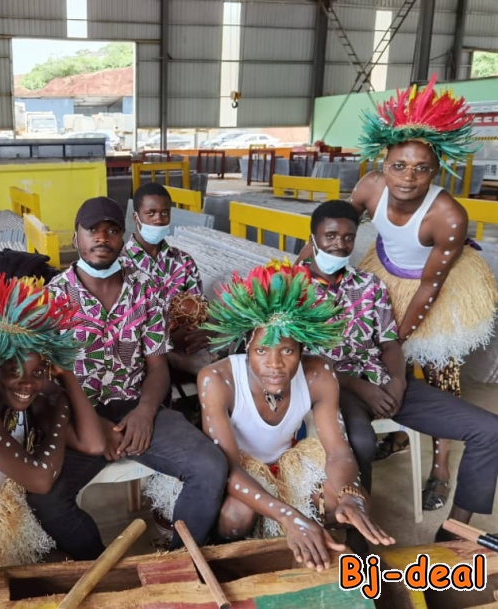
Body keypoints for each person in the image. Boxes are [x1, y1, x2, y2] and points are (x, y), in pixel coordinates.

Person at [297, 75, 498, 510]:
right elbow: (332, 225)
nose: (408, 178)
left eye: (422, 168)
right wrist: (298, 270)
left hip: (433, 282)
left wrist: (396, 375)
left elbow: (427, 287)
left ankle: (448, 493)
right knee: (361, 435)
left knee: (443, 370)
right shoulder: (367, 191)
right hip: (384, 278)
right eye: (399, 166)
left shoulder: (446, 216)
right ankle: (358, 530)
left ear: (437, 169)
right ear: (382, 164)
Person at [26, 196, 229, 559]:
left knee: (209, 466)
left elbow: (157, 367)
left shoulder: (145, 289)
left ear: (124, 238)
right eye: (92, 230)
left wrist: (145, 413)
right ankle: (102, 569)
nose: (102, 238)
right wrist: (89, 424)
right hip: (78, 415)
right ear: (76, 238)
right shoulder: (50, 299)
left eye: (112, 230)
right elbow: (42, 384)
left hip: (136, 405)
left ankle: (180, 561)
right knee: (46, 498)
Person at [305, 200, 498, 547]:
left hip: (382, 382)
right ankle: (357, 539)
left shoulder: (369, 285)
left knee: (489, 430)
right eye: (330, 235)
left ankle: (454, 532)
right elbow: (299, 361)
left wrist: (396, 381)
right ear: (313, 236)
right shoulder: (290, 287)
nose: (339, 244)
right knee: (360, 441)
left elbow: (391, 343)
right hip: (332, 389)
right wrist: (360, 388)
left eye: (348, 237)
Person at [194, 262, 394, 569]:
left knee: (340, 502)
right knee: (236, 517)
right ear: (248, 346)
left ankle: (330, 562)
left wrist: (350, 495)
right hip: (238, 470)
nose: (274, 363)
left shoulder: (319, 373)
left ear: (301, 349)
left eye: (286, 351)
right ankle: (233, 569)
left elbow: (338, 450)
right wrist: (290, 516)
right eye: (262, 351)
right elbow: (228, 468)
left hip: (287, 464)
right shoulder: (216, 380)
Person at [0, 275, 105, 607]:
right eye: (14, 371)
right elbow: (40, 479)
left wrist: (67, 378)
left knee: (77, 576)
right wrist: (59, 410)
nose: (26, 383)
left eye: (38, 372)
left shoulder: (26, 397)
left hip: (9, 528)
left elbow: (93, 444)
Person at [121, 182, 211, 374]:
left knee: (219, 366)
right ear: (136, 217)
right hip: (137, 351)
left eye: (164, 213)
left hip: (182, 346)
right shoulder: (120, 264)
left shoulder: (183, 262)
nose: (159, 219)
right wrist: (166, 339)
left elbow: (198, 308)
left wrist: (197, 332)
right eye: (151, 213)